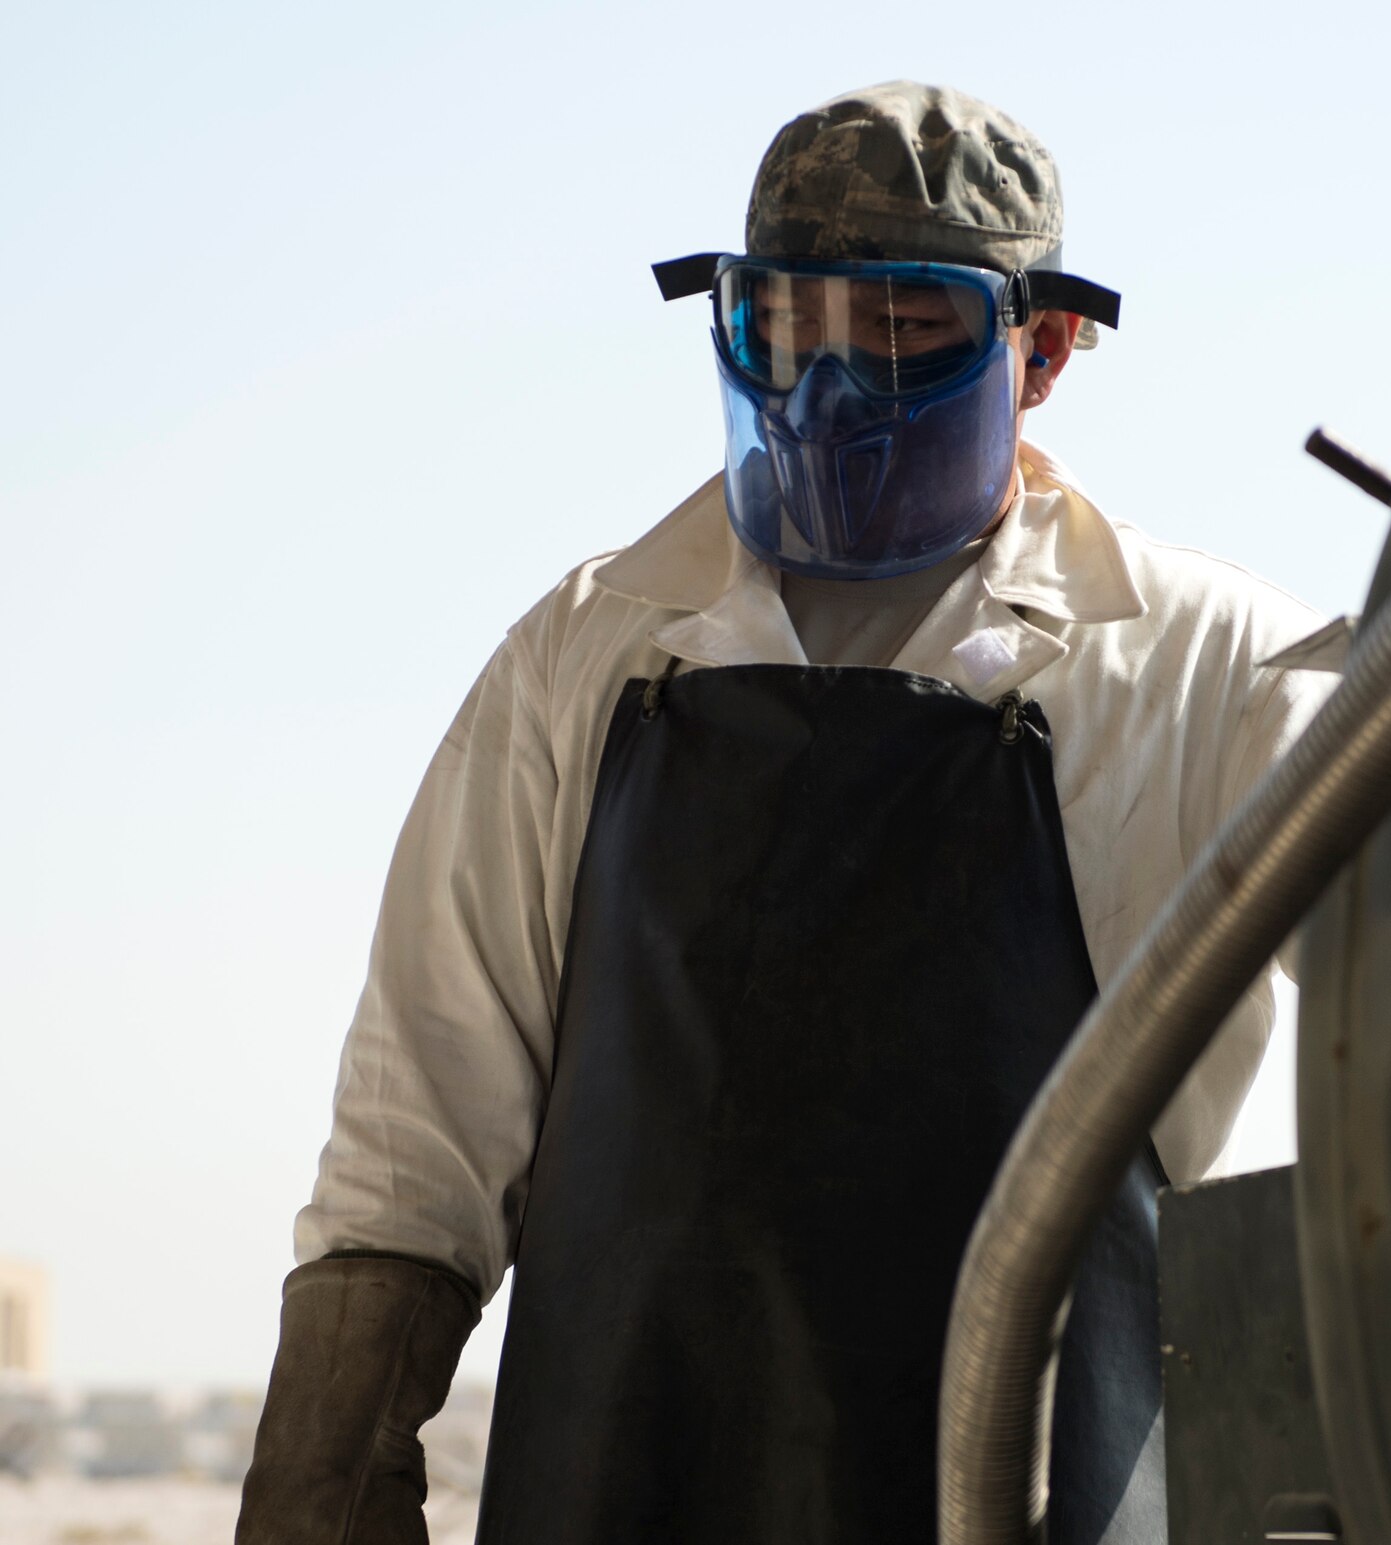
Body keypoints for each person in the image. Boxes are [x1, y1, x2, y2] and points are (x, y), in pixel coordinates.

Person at [236, 81, 1334, 1545]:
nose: (827, 386)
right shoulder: (592, 651)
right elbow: (416, 1132)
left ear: (1047, 346)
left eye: (899, 330)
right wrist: (325, 1486)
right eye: (786, 326)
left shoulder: (1213, 669)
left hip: (1024, 1498)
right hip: (621, 1487)